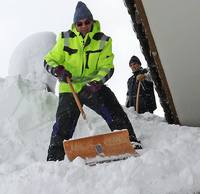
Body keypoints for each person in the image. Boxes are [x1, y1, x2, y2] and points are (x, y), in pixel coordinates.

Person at [43, 1, 140, 161]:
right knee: (63, 123)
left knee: (113, 109)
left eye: (87, 22)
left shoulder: (103, 40)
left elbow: (107, 67)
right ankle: (54, 158)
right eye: (79, 23)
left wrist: (96, 83)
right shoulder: (65, 38)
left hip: (93, 86)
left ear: (92, 22)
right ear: (75, 24)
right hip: (70, 87)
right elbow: (49, 60)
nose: (84, 26)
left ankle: (131, 141)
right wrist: (58, 71)